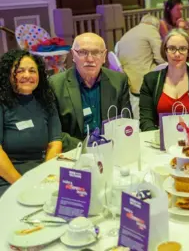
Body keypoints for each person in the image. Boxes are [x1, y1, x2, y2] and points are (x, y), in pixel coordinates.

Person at [49, 33, 130, 151]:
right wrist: (86, 148)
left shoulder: (119, 81)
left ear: (104, 56)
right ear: (73, 55)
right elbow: (55, 133)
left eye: (96, 52)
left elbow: (125, 121)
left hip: (112, 149)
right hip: (74, 153)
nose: (90, 59)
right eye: (83, 52)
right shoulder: (55, 85)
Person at [0, 50, 62, 195]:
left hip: (41, 170)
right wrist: (22, 184)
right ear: (7, 74)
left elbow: (55, 142)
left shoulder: (45, 100)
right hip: (8, 176)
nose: (27, 75)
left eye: (32, 71)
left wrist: (47, 175)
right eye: (20, 71)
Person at [139, 29, 189, 131]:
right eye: (172, 48)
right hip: (158, 141)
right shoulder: (150, 81)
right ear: (165, 51)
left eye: (182, 49)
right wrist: (158, 139)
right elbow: (146, 119)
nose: (177, 54)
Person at [116, 14, 165, 119]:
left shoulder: (128, 33)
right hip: (143, 83)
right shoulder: (152, 31)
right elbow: (162, 59)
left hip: (126, 83)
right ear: (156, 26)